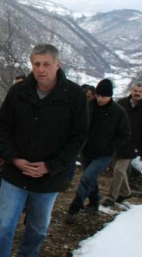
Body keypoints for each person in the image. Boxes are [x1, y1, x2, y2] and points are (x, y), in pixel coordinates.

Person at [0, 43, 88, 257]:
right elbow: (3, 125)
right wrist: (13, 158)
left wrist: (50, 166)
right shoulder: (19, 91)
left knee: (37, 229)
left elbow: (79, 136)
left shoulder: (74, 95)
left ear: (57, 65)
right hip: (16, 173)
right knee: (2, 226)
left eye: (46, 64)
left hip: (49, 178)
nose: (41, 69)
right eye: (36, 64)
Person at [65, 79, 130, 223]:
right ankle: (94, 202)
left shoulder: (118, 112)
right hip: (87, 150)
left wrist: (111, 147)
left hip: (104, 154)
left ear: (110, 96)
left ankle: (74, 208)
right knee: (91, 178)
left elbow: (125, 135)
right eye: (98, 95)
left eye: (103, 96)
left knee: (86, 178)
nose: (100, 99)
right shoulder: (88, 107)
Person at [102, 81, 142, 207]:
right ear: (131, 90)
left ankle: (111, 197)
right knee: (119, 170)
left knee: (119, 170)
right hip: (117, 142)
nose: (137, 93)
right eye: (136, 91)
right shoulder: (122, 103)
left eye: (140, 92)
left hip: (132, 145)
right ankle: (126, 192)